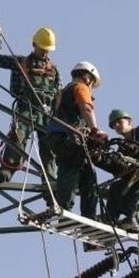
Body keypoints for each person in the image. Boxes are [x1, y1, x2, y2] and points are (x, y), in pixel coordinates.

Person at [0, 25, 62, 184]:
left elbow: (59, 94)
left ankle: (50, 183)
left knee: (49, 148)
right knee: (18, 137)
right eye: (43, 48)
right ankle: (6, 170)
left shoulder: (54, 71)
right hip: (26, 108)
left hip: (46, 113)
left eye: (47, 49)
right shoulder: (20, 62)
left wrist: (56, 113)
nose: (45, 52)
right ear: (34, 45)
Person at [46, 61, 107, 219]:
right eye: (92, 82)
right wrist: (95, 130)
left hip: (58, 137)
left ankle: (89, 216)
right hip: (67, 137)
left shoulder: (62, 91)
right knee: (70, 168)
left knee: (88, 174)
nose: (91, 86)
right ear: (87, 77)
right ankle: (64, 209)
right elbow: (86, 108)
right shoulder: (80, 87)